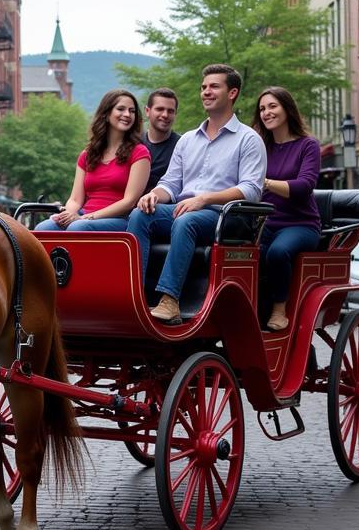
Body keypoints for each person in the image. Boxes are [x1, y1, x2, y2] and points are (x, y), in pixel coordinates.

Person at [127, 64, 267, 325]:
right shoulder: (188, 140)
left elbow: (251, 190)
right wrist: (154, 195)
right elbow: (171, 183)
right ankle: (137, 295)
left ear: (232, 92)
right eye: (204, 87)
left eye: (214, 86)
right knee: (140, 215)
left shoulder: (249, 139)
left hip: (227, 217)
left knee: (186, 221)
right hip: (186, 209)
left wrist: (205, 199)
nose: (206, 92)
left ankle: (170, 301)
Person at [252, 87, 321, 332]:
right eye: (262, 109)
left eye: (272, 106)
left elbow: (304, 186)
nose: (266, 112)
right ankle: (251, 312)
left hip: (300, 224)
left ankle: (280, 309)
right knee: (238, 254)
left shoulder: (307, 145)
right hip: (266, 223)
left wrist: (266, 182)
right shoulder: (260, 146)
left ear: (287, 108)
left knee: (278, 252)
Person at [36, 89, 150, 232]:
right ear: (107, 114)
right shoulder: (87, 154)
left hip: (119, 220)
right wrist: (67, 215)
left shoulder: (139, 152)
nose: (127, 114)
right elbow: (75, 199)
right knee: (44, 228)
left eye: (132, 111)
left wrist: (87, 217)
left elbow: (129, 202)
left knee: (78, 228)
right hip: (85, 216)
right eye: (121, 109)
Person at [141, 88, 181, 193]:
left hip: (163, 205)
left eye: (170, 111)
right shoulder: (133, 143)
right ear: (147, 111)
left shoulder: (182, 146)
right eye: (159, 109)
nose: (165, 115)